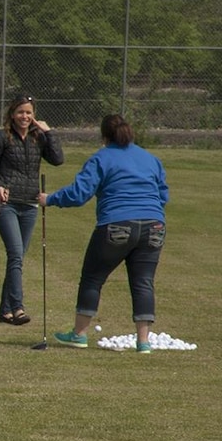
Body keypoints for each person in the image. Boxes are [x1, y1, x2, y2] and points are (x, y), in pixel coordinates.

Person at [39, 113, 170, 353]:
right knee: (143, 282)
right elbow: (163, 195)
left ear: (104, 136)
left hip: (116, 225)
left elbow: (79, 194)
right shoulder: (151, 159)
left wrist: (51, 199)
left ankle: (78, 335)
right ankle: (143, 342)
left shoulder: (101, 158)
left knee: (93, 278)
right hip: (155, 226)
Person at [0, 94, 64, 325]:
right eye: (20, 112)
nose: (25, 117)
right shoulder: (2, 137)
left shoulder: (39, 138)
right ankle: (18, 308)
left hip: (29, 204)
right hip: (5, 203)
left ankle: (4, 311)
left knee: (16, 258)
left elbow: (58, 160)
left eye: (29, 112)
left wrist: (49, 132)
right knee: (16, 254)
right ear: (12, 114)